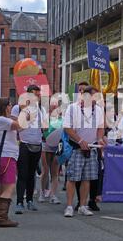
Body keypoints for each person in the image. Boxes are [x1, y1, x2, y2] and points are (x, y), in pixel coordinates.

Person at [63, 86, 106, 217]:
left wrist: (99, 139)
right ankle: (69, 206)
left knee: (86, 178)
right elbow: (67, 128)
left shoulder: (98, 110)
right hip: (76, 147)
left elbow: (100, 128)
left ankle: (82, 205)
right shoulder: (73, 108)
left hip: (91, 148)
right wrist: (80, 141)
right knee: (72, 178)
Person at [12, 85, 46, 214]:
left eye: (38, 94)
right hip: (23, 143)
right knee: (22, 174)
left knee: (32, 174)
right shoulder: (17, 107)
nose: (36, 96)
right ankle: (19, 202)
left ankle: (30, 200)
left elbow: (43, 127)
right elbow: (14, 125)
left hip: (37, 143)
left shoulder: (41, 109)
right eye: (34, 94)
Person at [0, 98, 21, 227]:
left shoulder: (0, 120)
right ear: (4, 107)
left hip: (4, 156)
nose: (11, 107)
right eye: (9, 105)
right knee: (9, 187)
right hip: (7, 156)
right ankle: (3, 218)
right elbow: (19, 125)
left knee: (2, 188)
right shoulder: (2, 120)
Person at [38, 99, 62, 205]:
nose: (54, 107)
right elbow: (43, 130)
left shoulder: (63, 118)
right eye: (52, 105)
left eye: (56, 105)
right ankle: (42, 193)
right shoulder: (46, 117)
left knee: (55, 172)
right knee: (45, 170)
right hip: (46, 144)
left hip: (57, 146)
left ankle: (53, 195)